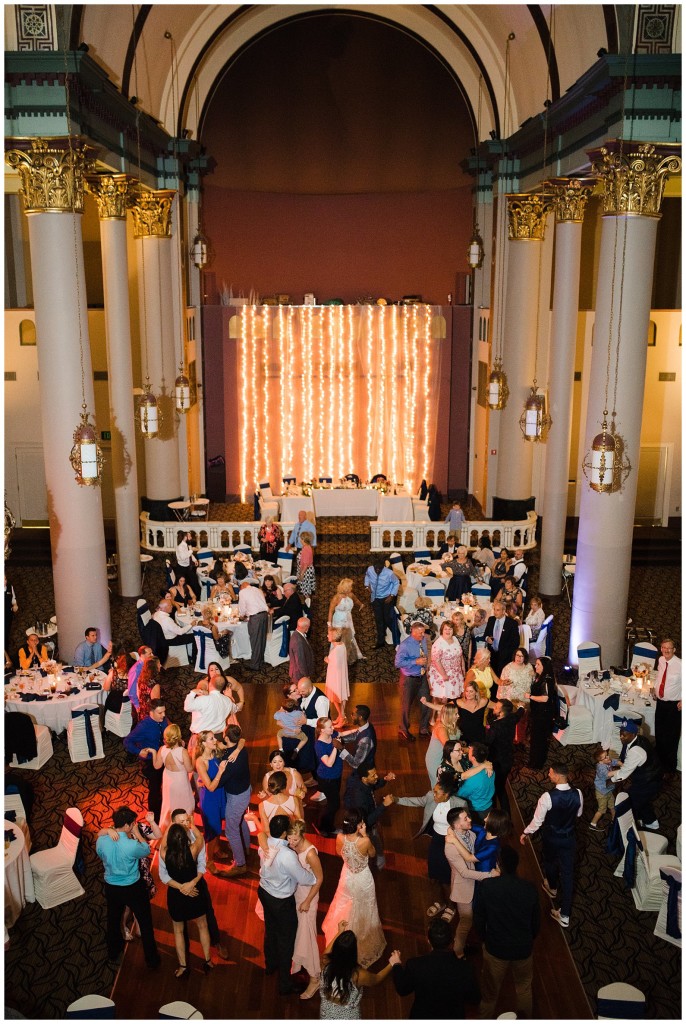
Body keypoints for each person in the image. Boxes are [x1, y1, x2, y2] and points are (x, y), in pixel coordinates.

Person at [474, 844, 540, 1020]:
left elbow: (479, 919)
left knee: (489, 994)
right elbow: (536, 924)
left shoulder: (487, 887)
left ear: (498, 864)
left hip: (496, 948)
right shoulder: (529, 889)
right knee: (524, 989)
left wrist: (484, 939)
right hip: (523, 948)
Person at [387, 778, 466, 919]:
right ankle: (440, 902)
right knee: (433, 876)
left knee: (447, 879)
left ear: (447, 795)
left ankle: (451, 907)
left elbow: (466, 827)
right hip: (436, 840)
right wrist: (396, 799)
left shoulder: (460, 804)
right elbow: (416, 801)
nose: (433, 794)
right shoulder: (431, 797)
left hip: (452, 843)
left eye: (437, 793)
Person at [256, 813, 316, 997]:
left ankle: (270, 965)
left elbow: (260, 834)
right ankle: (284, 983)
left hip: (264, 892)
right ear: (284, 833)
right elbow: (304, 878)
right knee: (286, 940)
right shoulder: (288, 855)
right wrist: (314, 876)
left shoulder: (264, 844)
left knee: (270, 929)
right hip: (281, 901)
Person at [159, 808, 230, 962]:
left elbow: (202, 865)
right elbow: (163, 874)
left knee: (207, 915)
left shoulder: (167, 849)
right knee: (182, 927)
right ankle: (197, 958)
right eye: (182, 822)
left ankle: (216, 942)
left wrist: (192, 884)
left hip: (194, 887)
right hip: (179, 889)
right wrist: (184, 886)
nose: (186, 824)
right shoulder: (187, 845)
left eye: (187, 821)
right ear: (174, 825)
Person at [95, 806, 160, 968]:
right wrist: (137, 834)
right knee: (145, 922)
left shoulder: (102, 841)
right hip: (132, 887)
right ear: (126, 826)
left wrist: (107, 831)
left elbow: (100, 854)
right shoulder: (131, 845)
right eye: (132, 824)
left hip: (111, 887)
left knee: (113, 919)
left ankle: (113, 951)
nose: (133, 825)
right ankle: (152, 960)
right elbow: (146, 850)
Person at [520, 761, 583, 929]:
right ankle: (565, 915)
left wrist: (526, 832)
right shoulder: (578, 793)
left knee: (549, 861)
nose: (548, 775)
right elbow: (578, 813)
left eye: (550, 773)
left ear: (556, 774)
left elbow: (537, 821)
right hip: (569, 838)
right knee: (568, 874)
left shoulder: (547, 797)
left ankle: (553, 887)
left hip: (552, 837)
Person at [322, 809, 386, 967]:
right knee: (364, 906)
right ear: (358, 825)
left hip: (347, 875)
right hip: (362, 878)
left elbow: (339, 853)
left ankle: (340, 932)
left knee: (344, 902)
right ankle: (361, 936)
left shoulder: (339, 837)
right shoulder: (365, 841)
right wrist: (365, 835)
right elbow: (372, 855)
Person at [392, 917, 480, 1019]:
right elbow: (474, 999)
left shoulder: (415, 965)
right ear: (452, 941)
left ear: (428, 940)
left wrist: (396, 965)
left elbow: (403, 990)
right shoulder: (466, 968)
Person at [160, 822, 213, 977]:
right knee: (203, 926)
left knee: (178, 930)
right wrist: (190, 825)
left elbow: (162, 844)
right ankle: (208, 961)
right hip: (195, 892)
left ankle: (183, 967)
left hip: (177, 895)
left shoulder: (164, 853)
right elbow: (200, 837)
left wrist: (170, 825)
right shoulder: (193, 850)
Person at [444, 807, 499, 956]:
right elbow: (465, 872)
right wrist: (490, 875)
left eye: (468, 816)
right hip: (464, 887)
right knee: (465, 922)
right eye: (465, 819)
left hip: (477, 885)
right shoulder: (450, 848)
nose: (470, 819)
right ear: (456, 825)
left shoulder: (469, 833)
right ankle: (458, 952)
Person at [281, 819, 323, 1001]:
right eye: (289, 839)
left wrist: (307, 901)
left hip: (308, 898)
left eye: (295, 840)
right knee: (299, 934)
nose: (291, 843)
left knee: (308, 936)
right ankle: (298, 965)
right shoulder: (291, 846)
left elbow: (320, 879)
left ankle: (315, 977)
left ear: (302, 835)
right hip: (296, 895)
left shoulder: (311, 854)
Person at [320, 925, 400, 1018]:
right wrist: (392, 963)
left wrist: (339, 933)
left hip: (327, 1011)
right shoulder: (357, 975)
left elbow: (326, 952)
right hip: (347, 1015)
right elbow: (377, 979)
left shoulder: (325, 961)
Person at [607, 720, 662, 829]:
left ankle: (628, 829)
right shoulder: (635, 740)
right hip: (649, 776)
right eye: (621, 733)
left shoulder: (636, 750)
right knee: (642, 800)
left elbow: (624, 773)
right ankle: (652, 822)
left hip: (649, 781)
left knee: (630, 802)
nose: (621, 737)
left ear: (634, 734)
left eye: (625, 735)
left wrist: (610, 780)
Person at [343, 761, 395, 870]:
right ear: (364, 778)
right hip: (365, 825)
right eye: (373, 775)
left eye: (376, 773)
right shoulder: (359, 798)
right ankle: (378, 856)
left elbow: (374, 784)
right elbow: (366, 821)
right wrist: (384, 805)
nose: (376, 776)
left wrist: (385, 780)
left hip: (369, 816)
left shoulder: (365, 782)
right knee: (374, 837)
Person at [123, 699, 169, 821]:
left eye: (164, 712)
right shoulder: (143, 726)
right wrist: (138, 751)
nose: (163, 715)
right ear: (151, 712)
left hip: (163, 757)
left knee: (166, 784)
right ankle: (156, 818)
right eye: (160, 713)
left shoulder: (163, 720)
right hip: (150, 762)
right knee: (154, 789)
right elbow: (127, 741)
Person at [219, 723, 253, 875]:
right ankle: (245, 846)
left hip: (236, 797)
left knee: (231, 830)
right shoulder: (241, 750)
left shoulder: (229, 761)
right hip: (245, 791)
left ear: (226, 737)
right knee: (240, 821)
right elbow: (242, 740)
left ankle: (240, 864)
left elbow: (217, 784)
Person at [194, 730, 228, 872]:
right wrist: (220, 771)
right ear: (203, 743)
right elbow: (211, 787)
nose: (215, 740)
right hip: (210, 799)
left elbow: (239, 742)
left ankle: (217, 849)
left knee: (218, 825)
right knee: (211, 831)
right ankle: (209, 861)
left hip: (220, 795)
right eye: (211, 738)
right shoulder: (200, 761)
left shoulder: (215, 752)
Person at [485, 698, 523, 816]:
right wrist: (521, 707)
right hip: (508, 759)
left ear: (501, 712)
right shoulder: (512, 718)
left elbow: (487, 742)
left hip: (496, 762)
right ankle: (507, 818)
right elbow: (519, 713)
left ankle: (495, 818)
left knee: (493, 789)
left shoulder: (495, 726)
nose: (494, 708)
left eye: (496, 707)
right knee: (501, 788)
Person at [153, 723, 194, 829]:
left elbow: (157, 766)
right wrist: (193, 757)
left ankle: (168, 829)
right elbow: (189, 769)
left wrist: (153, 752)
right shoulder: (183, 751)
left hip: (168, 780)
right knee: (185, 805)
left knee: (169, 805)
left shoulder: (162, 749)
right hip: (180, 781)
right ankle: (185, 828)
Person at [395, 621, 431, 741]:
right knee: (406, 706)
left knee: (427, 702)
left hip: (422, 677)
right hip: (409, 679)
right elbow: (398, 663)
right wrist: (415, 661)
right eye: (420, 633)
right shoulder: (405, 645)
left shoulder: (424, 640)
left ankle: (424, 728)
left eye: (423, 632)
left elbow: (425, 654)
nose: (423, 635)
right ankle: (403, 729)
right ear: (413, 632)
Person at [654, 638, 681, 772]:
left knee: (671, 737)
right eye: (663, 647)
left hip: (673, 706)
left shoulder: (681, 664)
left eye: (669, 648)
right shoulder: (661, 660)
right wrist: (655, 689)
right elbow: (660, 676)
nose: (666, 650)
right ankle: (659, 762)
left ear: (674, 650)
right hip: (660, 703)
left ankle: (669, 768)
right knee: (659, 733)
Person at [525, 656, 557, 770]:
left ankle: (537, 764)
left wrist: (530, 696)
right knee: (536, 738)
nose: (536, 666)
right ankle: (534, 761)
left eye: (538, 664)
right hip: (538, 712)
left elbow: (545, 698)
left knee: (539, 740)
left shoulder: (546, 679)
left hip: (543, 715)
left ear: (544, 667)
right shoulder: (541, 677)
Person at [297, 676, 330, 784]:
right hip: (309, 732)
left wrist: (306, 721)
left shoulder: (320, 701)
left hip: (317, 734)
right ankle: (315, 778)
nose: (300, 694)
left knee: (317, 758)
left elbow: (323, 722)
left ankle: (322, 784)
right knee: (311, 756)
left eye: (302, 691)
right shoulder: (307, 694)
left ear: (310, 689)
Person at [315, 717, 344, 836]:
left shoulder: (332, 735)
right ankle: (325, 827)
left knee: (332, 802)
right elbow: (329, 763)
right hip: (327, 779)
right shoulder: (319, 745)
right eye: (330, 727)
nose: (333, 728)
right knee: (334, 804)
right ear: (322, 730)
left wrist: (358, 730)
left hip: (336, 776)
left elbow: (342, 733)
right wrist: (335, 747)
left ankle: (325, 825)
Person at [184, 673, 237, 737]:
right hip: (219, 737)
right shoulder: (228, 701)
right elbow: (235, 709)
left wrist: (192, 693)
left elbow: (187, 707)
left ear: (210, 684)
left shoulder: (203, 699)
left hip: (202, 738)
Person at [328, 577, 365, 664]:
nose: (352, 588)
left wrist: (361, 605)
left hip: (348, 618)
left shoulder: (350, 594)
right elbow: (330, 611)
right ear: (346, 587)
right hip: (338, 620)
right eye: (350, 586)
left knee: (349, 636)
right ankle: (335, 657)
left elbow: (356, 600)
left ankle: (351, 655)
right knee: (338, 637)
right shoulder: (336, 598)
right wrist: (329, 625)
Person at [364, 560, 400, 648]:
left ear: (383, 567)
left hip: (386, 599)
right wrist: (367, 585)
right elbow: (367, 576)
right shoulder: (370, 569)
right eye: (376, 568)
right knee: (379, 620)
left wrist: (391, 595)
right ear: (373, 566)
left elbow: (396, 582)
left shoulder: (389, 573)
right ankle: (381, 641)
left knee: (388, 619)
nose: (377, 571)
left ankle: (398, 637)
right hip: (375, 599)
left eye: (380, 569)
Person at [456, 743, 495, 822]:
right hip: (489, 805)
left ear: (473, 758)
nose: (467, 752)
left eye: (469, 751)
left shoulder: (472, 779)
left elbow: (460, 795)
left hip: (477, 811)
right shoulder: (490, 770)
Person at [427, 621, 464, 702]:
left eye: (450, 629)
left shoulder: (455, 639)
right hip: (443, 675)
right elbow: (436, 661)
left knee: (454, 699)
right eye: (445, 629)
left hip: (455, 673)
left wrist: (463, 668)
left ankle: (451, 714)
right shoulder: (439, 643)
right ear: (442, 630)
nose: (448, 631)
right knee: (443, 700)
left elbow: (460, 655)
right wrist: (444, 675)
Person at [238, 580, 270, 671]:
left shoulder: (243, 592)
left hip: (255, 618)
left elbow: (242, 608)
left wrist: (241, 616)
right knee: (262, 640)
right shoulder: (258, 590)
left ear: (242, 587)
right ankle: (260, 661)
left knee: (255, 641)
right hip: (264, 615)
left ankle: (254, 665)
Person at [335, 704, 377, 770]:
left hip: (364, 773)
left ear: (360, 717)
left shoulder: (365, 740)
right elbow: (355, 736)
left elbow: (355, 763)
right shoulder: (367, 725)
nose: (351, 716)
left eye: (353, 714)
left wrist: (341, 748)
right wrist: (341, 739)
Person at [483, 601, 519, 677]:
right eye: (494, 610)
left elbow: (516, 643)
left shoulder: (512, 624)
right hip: (492, 654)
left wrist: (508, 655)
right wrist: (487, 638)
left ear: (503, 611)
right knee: (491, 676)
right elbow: (485, 635)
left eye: (498, 610)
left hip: (504, 656)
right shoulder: (491, 620)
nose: (495, 612)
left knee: (501, 676)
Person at [590, 746, 620, 831]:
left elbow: (615, 761)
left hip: (609, 789)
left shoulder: (607, 761)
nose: (608, 757)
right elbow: (609, 774)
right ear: (600, 761)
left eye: (607, 755)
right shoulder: (600, 768)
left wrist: (622, 764)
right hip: (601, 792)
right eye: (605, 757)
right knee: (602, 810)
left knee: (612, 805)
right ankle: (592, 824)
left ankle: (614, 820)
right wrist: (621, 771)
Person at [325, 627, 350, 728]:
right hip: (341, 675)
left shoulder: (335, 651)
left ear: (333, 637)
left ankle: (342, 717)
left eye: (329, 635)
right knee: (342, 695)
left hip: (335, 677)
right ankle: (341, 716)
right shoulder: (342, 645)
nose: (327, 636)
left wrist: (327, 660)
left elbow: (335, 665)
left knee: (335, 696)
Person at [455, 680, 490, 745]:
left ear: (476, 692)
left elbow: (498, 706)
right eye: (467, 691)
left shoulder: (483, 701)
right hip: (464, 737)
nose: (468, 694)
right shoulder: (459, 702)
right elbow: (443, 707)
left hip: (479, 737)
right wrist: (429, 704)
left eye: (471, 691)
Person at [135, 655, 162, 722]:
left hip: (142, 714)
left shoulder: (141, 680)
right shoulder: (154, 685)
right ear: (154, 667)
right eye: (159, 664)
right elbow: (156, 706)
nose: (160, 666)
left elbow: (138, 696)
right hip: (150, 717)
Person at [289, 616, 315, 683]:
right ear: (305, 627)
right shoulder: (298, 642)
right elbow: (300, 662)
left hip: (299, 673)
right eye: (308, 626)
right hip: (299, 675)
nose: (309, 627)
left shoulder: (296, 634)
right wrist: (306, 676)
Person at [175, 530, 200, 595]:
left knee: (194, 581)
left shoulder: (186, 544)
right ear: (185, 537)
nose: (191, 537)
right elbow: (183, 557)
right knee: (183, 583)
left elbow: (189, 555)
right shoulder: (180, 547)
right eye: (190, 536)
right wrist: (191, 550)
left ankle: (197, 597)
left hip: (188, 566)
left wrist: (195, 560)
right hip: (181, 568)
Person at [296, 530, 316, 598]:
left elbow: (305, 564)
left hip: (306, 571)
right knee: (306, 590)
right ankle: (307, 604)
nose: (300, 539)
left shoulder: (306, 549)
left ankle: (308, 606)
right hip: (306, 570)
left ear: (303, 539)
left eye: (301, 538)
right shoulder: (307, 547)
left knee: (306, 591)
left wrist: (301, 574)